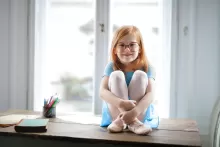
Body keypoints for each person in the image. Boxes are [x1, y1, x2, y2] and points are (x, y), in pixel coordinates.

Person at [99, 25, 159, 135]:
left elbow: (151, 94)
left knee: (140, 75)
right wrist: (121, 103)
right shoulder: (111, 66)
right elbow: (102, 92)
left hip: (139, 112)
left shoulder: (148, 67)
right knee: (116, 75)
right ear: (115, 50)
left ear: (140, 48)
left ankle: (130, 120)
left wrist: (134, 112)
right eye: (122, 45)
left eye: (132, 45)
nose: (127, 49)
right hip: (116, 113)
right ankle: (133, 123)